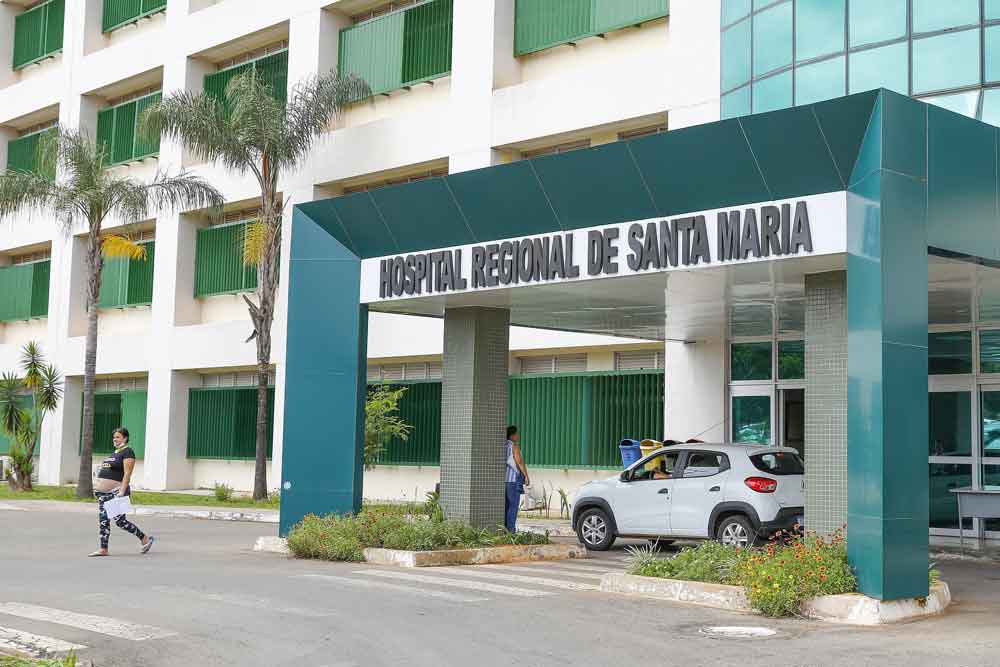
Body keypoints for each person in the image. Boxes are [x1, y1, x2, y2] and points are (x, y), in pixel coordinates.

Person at [90, 427, 154, 557]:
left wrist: (121, 491)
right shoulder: (114, 454)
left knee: (120, 521)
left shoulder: (128, 452)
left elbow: (127, 474)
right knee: (103, 520)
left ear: (125, 438)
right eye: (114, 437)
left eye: (118, 437)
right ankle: (103, 549)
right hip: (104, 494)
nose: (115, 439)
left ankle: (145, 539)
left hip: (117, 491)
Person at [504, 425, 530, 533]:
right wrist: (527, 475)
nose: (518, 436)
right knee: (513, 506)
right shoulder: (514, 447)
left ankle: (505, 529)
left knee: (506, 506)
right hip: (513, 480)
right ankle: (511, 530)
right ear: (513, 435)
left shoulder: (503, 445)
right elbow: (519, 462)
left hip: (504, 480)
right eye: (517, 434)